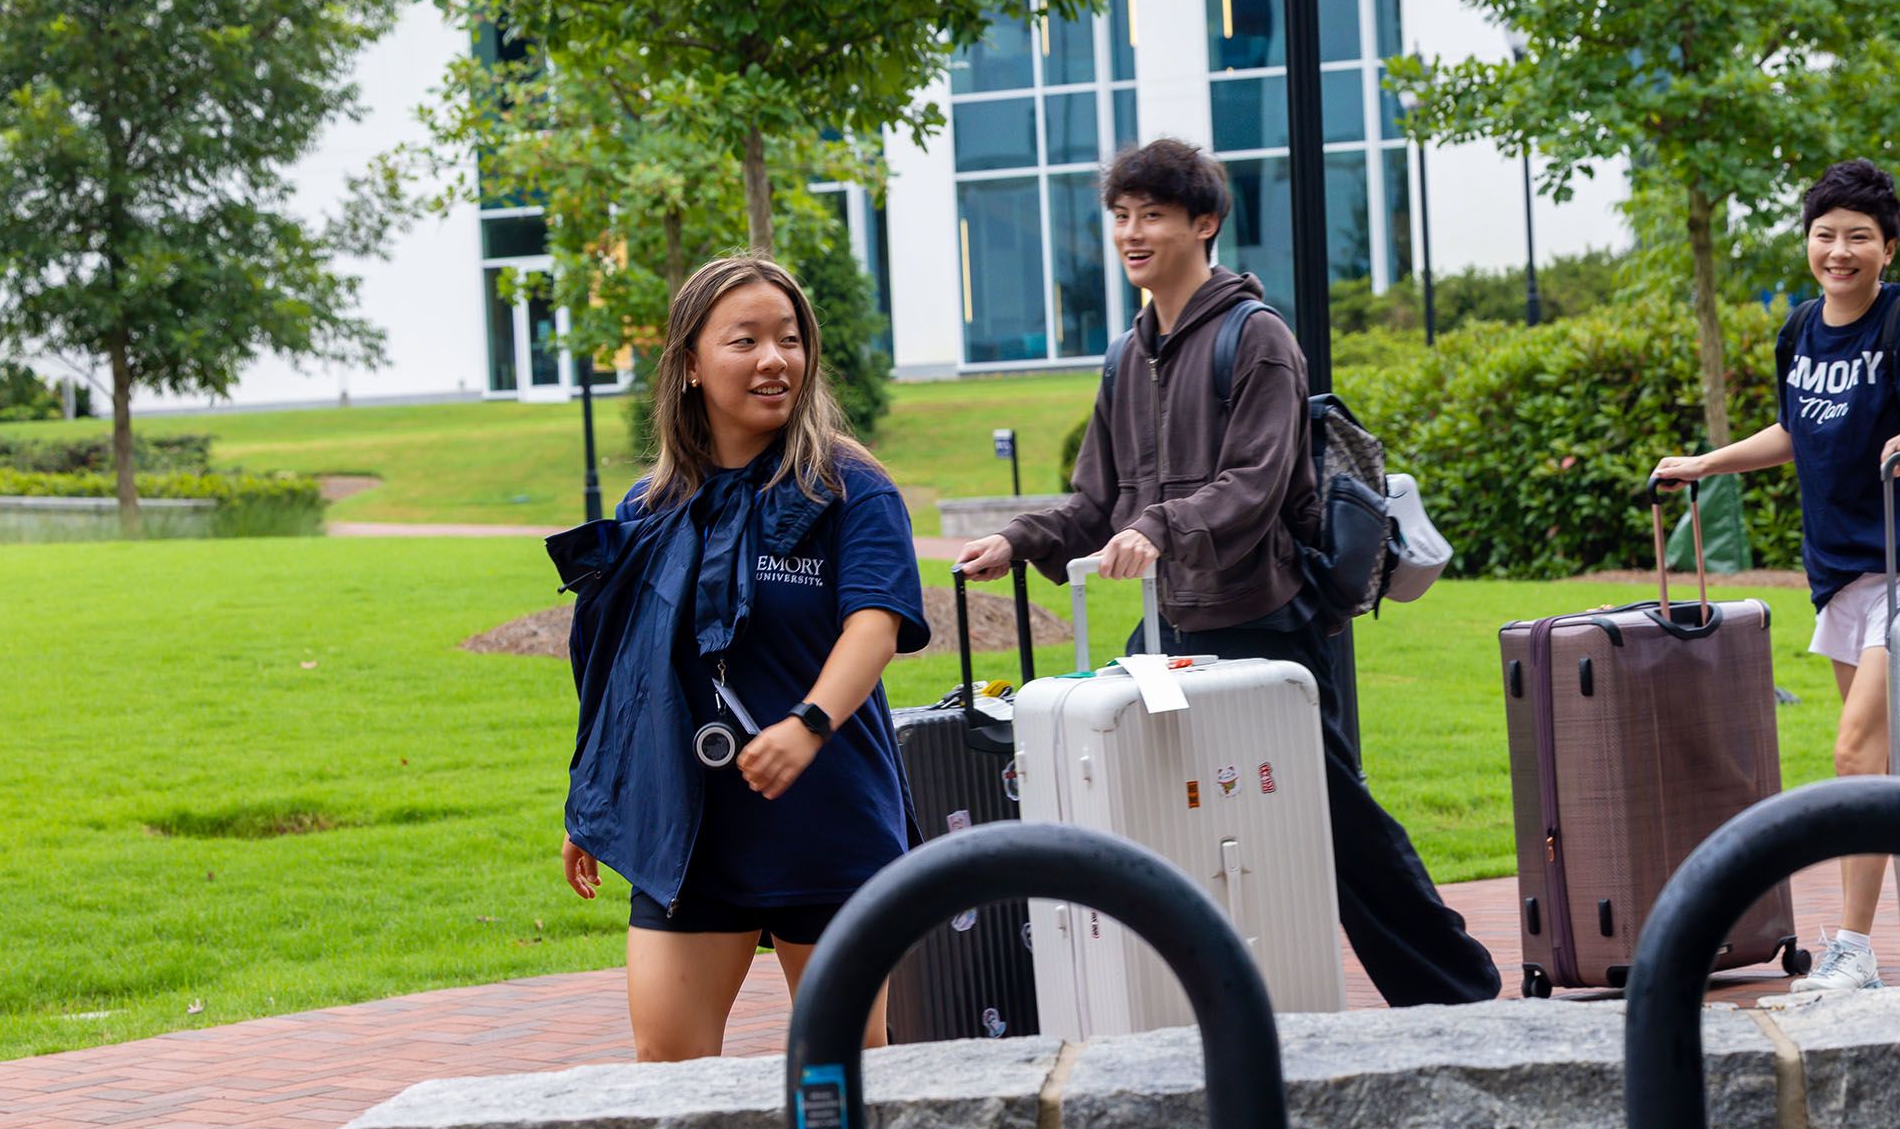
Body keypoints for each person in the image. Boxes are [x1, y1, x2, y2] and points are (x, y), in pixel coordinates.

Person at [957, 138, 1500, 1007]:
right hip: (1167, 627)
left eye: (1153, 216)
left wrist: (1158, 528)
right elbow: (1096, 503)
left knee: (1335, 821)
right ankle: (1189, 995)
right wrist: (1018, 541)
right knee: (1156, 805)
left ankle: (1457, 994)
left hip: (1263, 620)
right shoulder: (1126, 357)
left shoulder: (1257, 339)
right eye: (1120, 216)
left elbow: (1253, 486)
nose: (1132, 234)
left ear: (1204, 223)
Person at [558, 255, 930, 1059]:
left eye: (789, 339)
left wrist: (808, 723)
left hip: (828, 818)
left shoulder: (851, 488)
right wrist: (594, 802)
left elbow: (875, 627)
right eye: (746, 340)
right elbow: (621, 673)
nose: (774, 360)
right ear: (691, 364)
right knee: (668, 1068)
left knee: (842, 1069)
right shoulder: (648, 508)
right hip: (689, 831)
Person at [1651, 159, 1900, 993]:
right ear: (1808, 243)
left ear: (1888, 249)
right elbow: (1793, 432)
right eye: (1826, 235)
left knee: (1856, 753)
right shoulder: (1798, 330)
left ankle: (1855, 951)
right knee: (1883, 763)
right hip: (1840, 579)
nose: (1840, 251)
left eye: (1859, 237)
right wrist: (1705, 463)